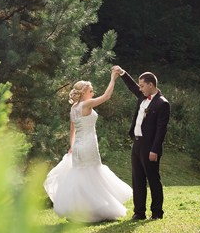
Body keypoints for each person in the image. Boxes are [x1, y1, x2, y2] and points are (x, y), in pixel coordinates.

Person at [43, 66, 134, 222]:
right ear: (84, 93)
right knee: (93, 175)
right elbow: (106, 96)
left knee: (82, 177)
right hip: (89, 144)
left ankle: (80, 212)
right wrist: (113, 78)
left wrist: (71, 146)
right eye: (91, 90)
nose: (93, 92)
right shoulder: (86, 105)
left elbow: (72, 129)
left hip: (78, 146)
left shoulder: (73, 108)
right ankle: (94, 211)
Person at [115, 67, 170, 220]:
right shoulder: (142, 96)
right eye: (140, 86)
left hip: (150, 146)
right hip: (137, 143)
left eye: (142, 85)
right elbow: (132, 86)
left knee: (153, 179)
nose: (140, 88)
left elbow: (161, 130)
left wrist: (155, 150)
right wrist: (122, 73)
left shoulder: (162, 103)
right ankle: (139, 213)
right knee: (137, 179)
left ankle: (157, 213)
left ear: (151, 85)